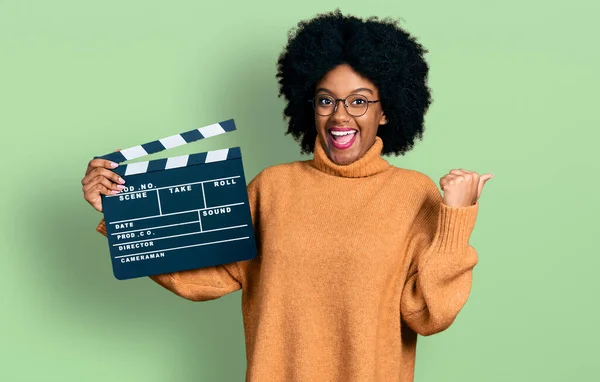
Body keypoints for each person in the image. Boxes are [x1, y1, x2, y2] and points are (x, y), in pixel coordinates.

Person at [81, 9, 492, 382]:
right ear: (308, 105)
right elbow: (205, 278)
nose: (340, 115)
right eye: (327, 100)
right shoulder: (272, 187)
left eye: (360, 102)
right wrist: (119, 208)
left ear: (386, 112)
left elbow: (428, 315)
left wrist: (456, 218)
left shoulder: (412, 194)